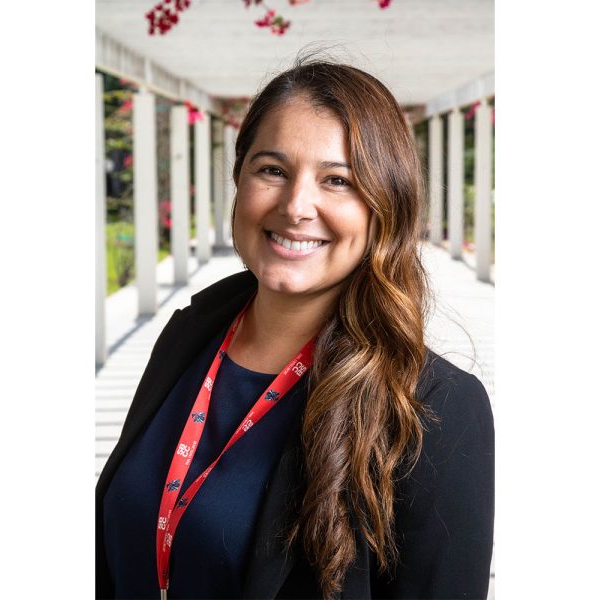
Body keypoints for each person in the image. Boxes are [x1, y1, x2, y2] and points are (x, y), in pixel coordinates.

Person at [96, 58, 494, 599]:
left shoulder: (434, 408)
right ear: (239, 180)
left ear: (385, 207)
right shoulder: (188, 337)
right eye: (273, 170)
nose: (296, 206)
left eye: (337, 181)